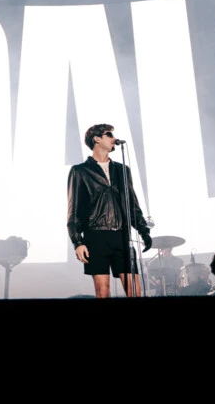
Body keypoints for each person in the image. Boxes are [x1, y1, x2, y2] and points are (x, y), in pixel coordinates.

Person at [67, 123, 152, 298]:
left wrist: (144, 231)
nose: (114, 138)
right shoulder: (80, 171)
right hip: (95, 236)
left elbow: (132, 204)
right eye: (109, 135)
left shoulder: (122, 170)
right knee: (103, 291)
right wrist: (77, 242)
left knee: (134, 290)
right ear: (96, 139)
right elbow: (73, 210)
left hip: (121, 235)